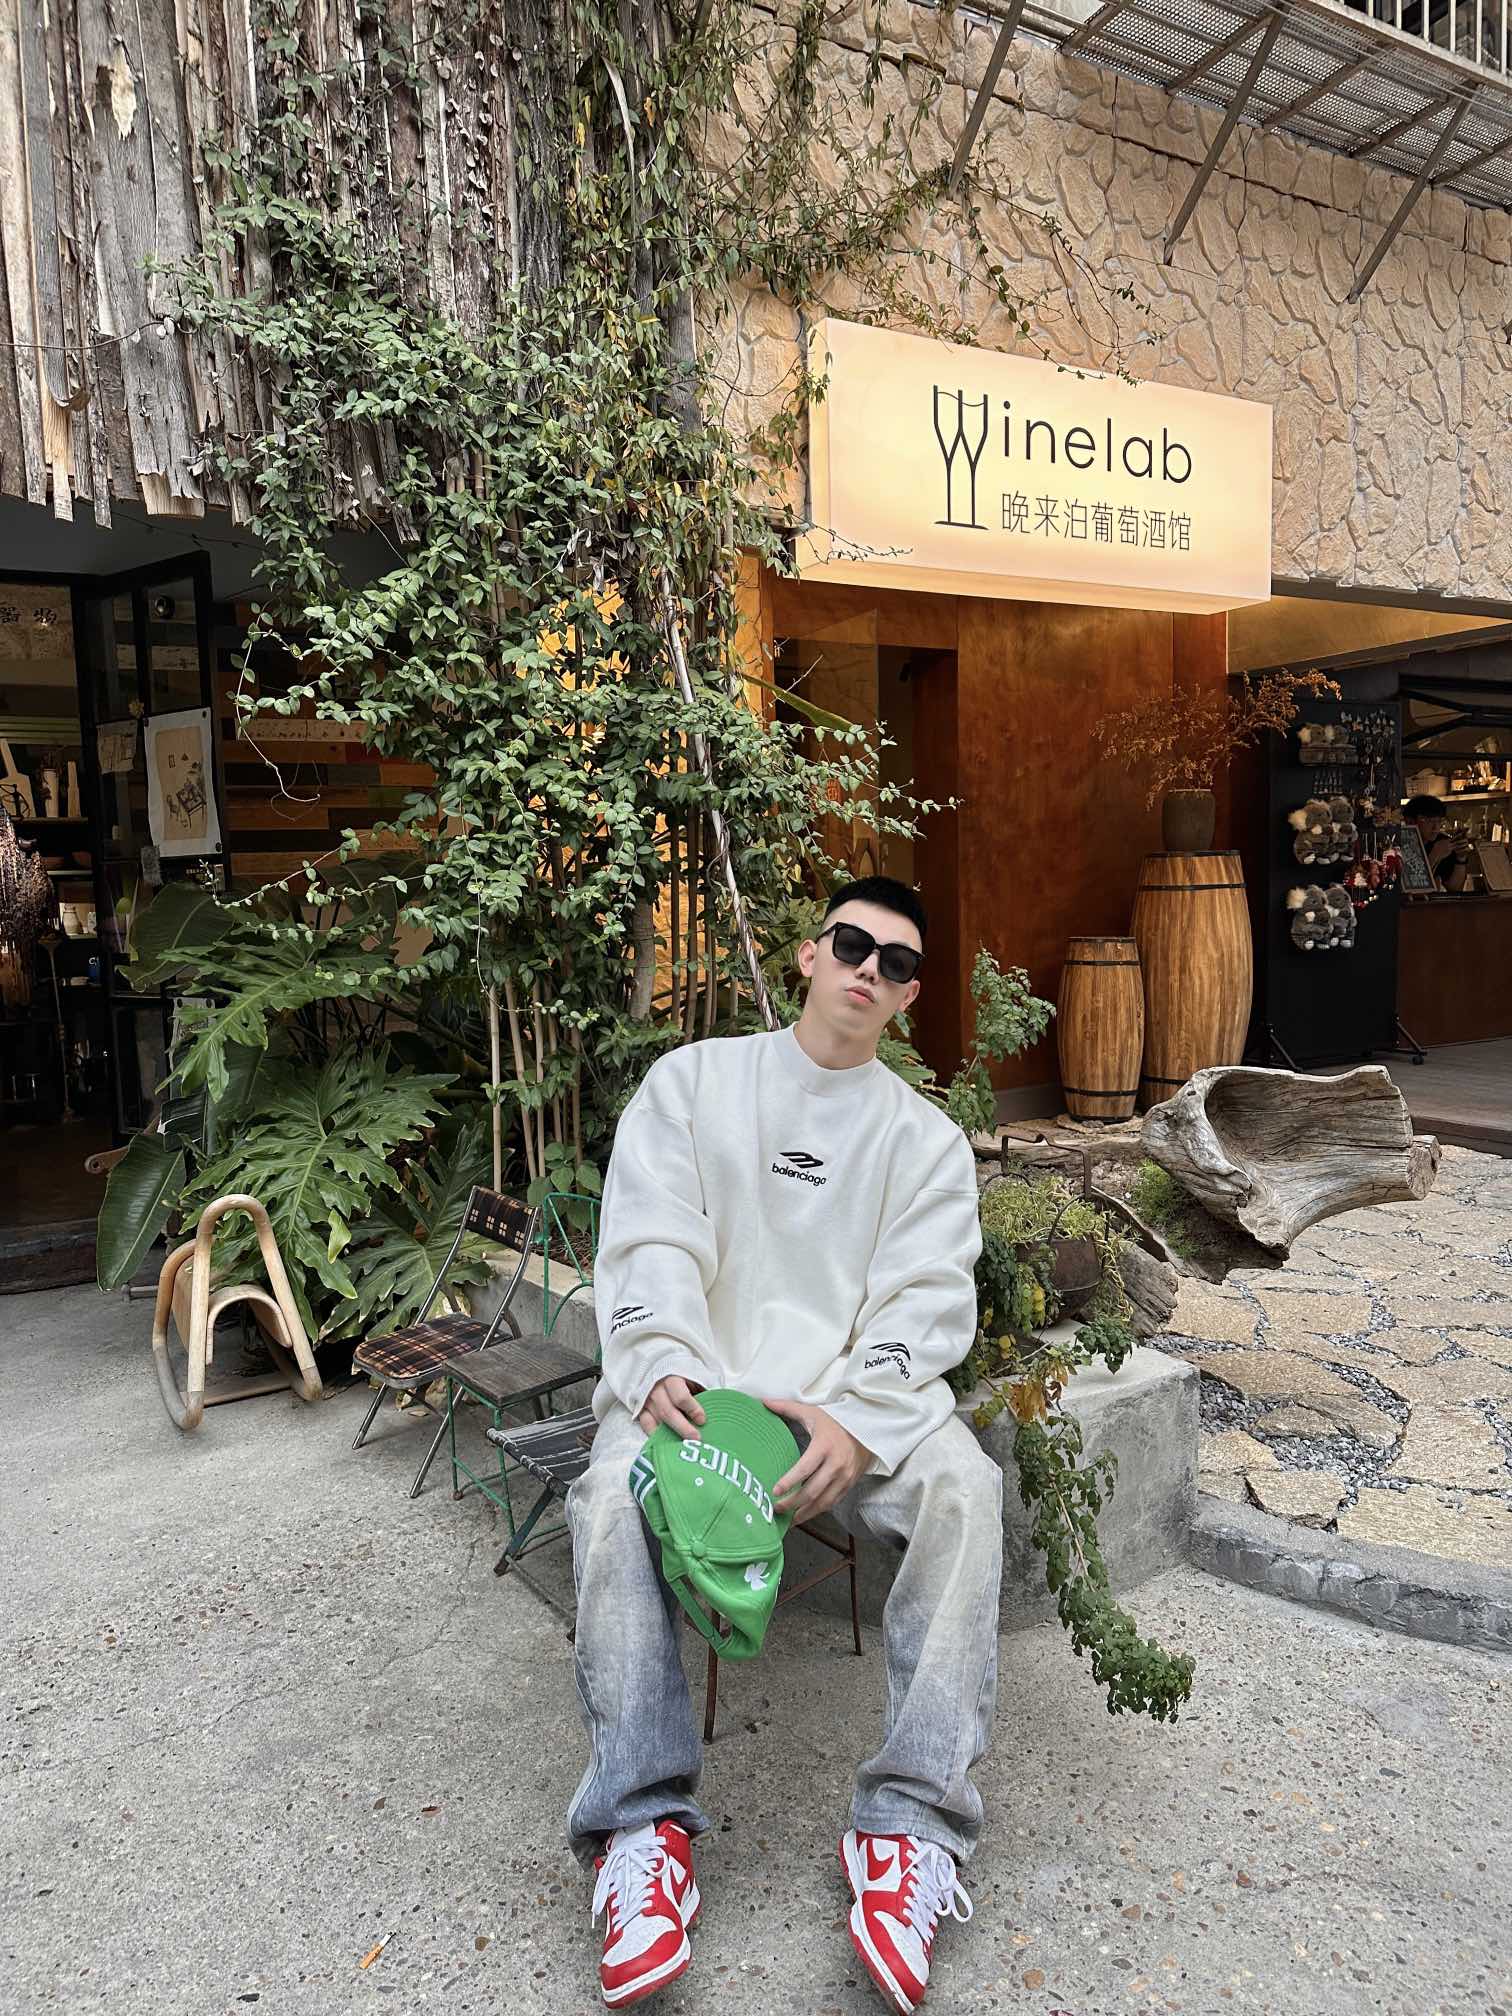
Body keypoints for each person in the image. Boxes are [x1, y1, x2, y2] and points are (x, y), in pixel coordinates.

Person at [566, 874, 1001, 2012]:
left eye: (896, 963)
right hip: (697, 1397)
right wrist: (662, 1356)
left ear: (908, 997)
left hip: (840, 1415)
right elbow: (649, 1237)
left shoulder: (924, 1142)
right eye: (852, 944)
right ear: (809, 955)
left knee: (963, 1487)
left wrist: (859, 1417)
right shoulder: (694, 1084)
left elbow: (927, 1297)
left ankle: (910, 1826)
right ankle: (640, 1830)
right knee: (610, 1496)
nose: (869, 970)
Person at [1404, 793, 1471, 892]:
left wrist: (1460, 858)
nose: (1435, 827)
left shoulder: (1442, 841)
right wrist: (1434, 855)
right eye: (1429, 821)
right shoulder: (1402, 845)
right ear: (1410, 821)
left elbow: (1455, 888)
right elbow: (1411, 887)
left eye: (1439, 821)